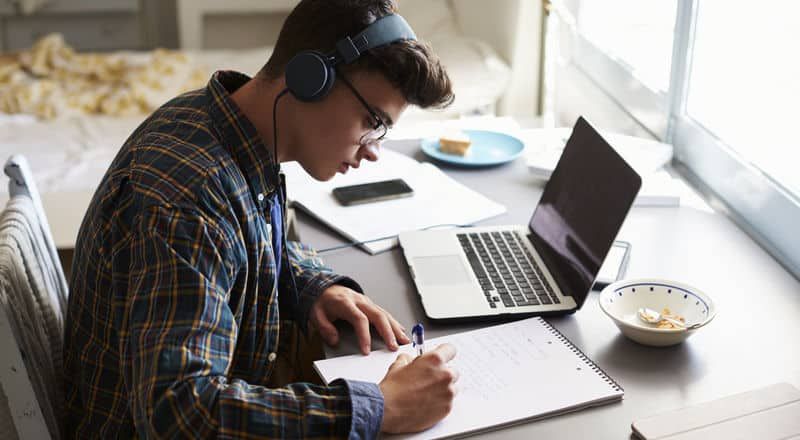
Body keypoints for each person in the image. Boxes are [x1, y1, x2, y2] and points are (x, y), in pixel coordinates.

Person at [63, 0, 460, 438]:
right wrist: (377, 409)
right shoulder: (189, 200)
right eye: (371, 121)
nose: (373, 150)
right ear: (310, 79)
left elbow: (239, 245)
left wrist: (312, 286)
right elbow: (180, 413)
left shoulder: (219, 126)